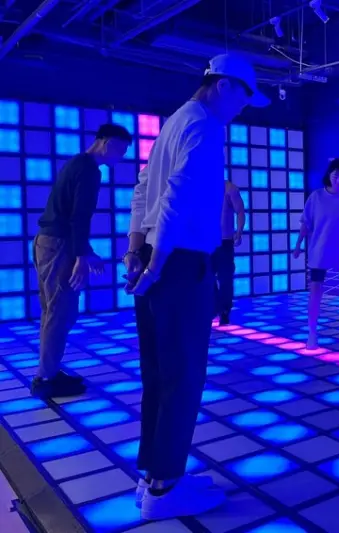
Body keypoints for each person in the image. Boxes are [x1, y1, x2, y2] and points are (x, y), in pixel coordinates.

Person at [124, 53, 268, 520]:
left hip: (157, 259)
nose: (242, 108)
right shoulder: (205, 125)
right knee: (182, 377)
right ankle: (164, 488)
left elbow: (142, 189)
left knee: (158, 374)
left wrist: (136, 251)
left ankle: (152, 475)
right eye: (244, 97)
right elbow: (177, 195)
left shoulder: (174, 122)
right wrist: (158, 261)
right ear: (224, 85)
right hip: (179, 264)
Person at [32, 124, 132, 398]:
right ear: (106, 142)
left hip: (48, 242)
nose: (121, 156)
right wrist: (80, 258)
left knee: (54, 311)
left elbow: (70, 216)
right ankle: (45, 378)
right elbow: (79, 217)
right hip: (58, 245)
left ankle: (49, 371)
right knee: (60, 312)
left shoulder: (76, 163)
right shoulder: (89, 170)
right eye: (121, 150)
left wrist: (86, 252)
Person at [293, 158, 339, 349]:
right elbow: (306, 224)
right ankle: (312, 332)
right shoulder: (316, 197)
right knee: (315, 290)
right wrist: (298, 245)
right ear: (329, 174)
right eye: (336, 175)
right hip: (319, 251)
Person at [213, 180, 246, 325]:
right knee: (206, 277)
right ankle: (215, 307)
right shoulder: (202, 187)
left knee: (225, 278)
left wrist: (239, 231)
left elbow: (240, 211)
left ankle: (224, 310)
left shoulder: (229, 188)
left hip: (225, 241)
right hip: (207, 242)